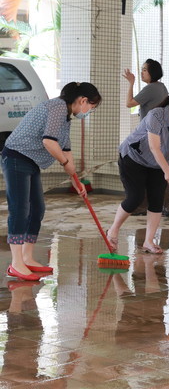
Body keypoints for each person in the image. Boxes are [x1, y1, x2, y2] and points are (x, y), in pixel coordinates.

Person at [1, 82, 101, 281]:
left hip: (30, 161)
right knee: (20, 209)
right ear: (83, 101)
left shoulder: (66, 117)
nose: (89, 111)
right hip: (16, 157)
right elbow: (49, 141)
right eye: (91, 106)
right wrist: (65, 164)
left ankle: (27, 257)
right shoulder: (57, 107)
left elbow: (66, 149)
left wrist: (76, 181)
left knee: (37, 209)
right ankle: (16, 263)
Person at [107, 90, 169, 254]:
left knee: (156, 200)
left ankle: (148, 241)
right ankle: (113, 230)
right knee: (135, 197)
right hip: (133, 158)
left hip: (157, 162)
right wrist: (167, 171)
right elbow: (154, 147)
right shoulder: (156, 115)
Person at [123, 59, 169, 217]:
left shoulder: (151, 88)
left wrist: (131, 82)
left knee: (146, 167)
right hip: (161, 132)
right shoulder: (161, 87)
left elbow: (129, 103)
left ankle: (142, 206)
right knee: (159, 167)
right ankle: (165, 206)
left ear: (153, 72)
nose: (142, 72)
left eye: (145, 70)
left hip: (151, 134)